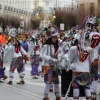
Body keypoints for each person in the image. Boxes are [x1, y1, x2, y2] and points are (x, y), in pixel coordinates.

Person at [40, 25, 61, 100]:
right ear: (50, 38)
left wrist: (59, 59)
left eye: (56, 37)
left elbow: (57, 55)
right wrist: (51, 59)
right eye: (53, 37)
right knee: (48, 82)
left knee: (56, 82)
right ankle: (45, 96)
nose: (55, 39)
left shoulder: (55, 46)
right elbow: (42, 55)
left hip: (54, 66)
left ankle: (58, 96)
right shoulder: (45, 46)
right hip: (47, 66)